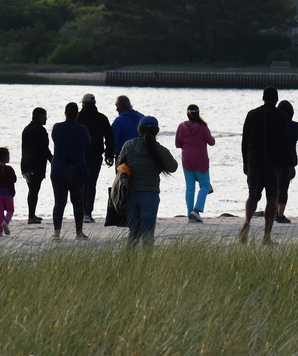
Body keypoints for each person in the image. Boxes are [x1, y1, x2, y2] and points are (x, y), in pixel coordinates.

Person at [240, 87, 293, 243]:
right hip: (273, 164)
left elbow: (244, 141)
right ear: (276, 99)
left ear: (263, 98)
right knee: (272, 197)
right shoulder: (280, 115)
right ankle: (266, 236)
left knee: (252, 196)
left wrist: (245, 162)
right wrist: (290, 164)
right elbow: (285, 142)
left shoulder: (252, 114)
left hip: (255, 162)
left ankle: (247, 221)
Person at [117, 115, 179, 247]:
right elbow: (173, 167)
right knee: (148, 234)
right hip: (150, 195)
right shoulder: (160, 150)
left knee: (133, 232)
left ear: (139, 129)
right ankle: (146, 264)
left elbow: (119, 165)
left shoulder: (129, 146)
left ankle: (127, 262)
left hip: (131, 194)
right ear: (157, 131)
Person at [51, 101, 91, 240]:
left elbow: (55, 139)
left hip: (59, 168)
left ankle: (56, 232)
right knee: (78, 202)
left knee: (59, 202)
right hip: (77, 169)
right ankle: (79, 232)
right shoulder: (82, 129)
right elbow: (88, 142)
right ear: (77, 114)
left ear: (65, 113)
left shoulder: (57, 127)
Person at [174, 103, 215, 222]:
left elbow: (177, 144)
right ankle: (196, 210)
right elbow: (211, 142)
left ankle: (189, 214)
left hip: (186, 158)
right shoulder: (203, 127)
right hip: (200, 159)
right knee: (205, 185)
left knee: (190, 187)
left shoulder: (181, 126)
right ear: (198, 113)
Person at [79, 94, 113, 224]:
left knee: (80, 183)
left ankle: (80, 211)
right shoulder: (101, 118)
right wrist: (109, 154)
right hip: (95, 155)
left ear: (83, 103)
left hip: (80, 156)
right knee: (91, 183)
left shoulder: (78, 117)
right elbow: (109, 137)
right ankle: (88, 213)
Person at [20, 107, 51, 224]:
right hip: (36, 164)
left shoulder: (26, 129)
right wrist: (53, 159)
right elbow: (44, 149)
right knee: (34, 190)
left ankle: (32, 214)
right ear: (39, 116)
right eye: (44, 115)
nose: (46, 118)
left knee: (32, 190)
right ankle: (31, 217)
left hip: (25, 163)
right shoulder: (40, 130)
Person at [276, 99, 298, 224]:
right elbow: (297, 137)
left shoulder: (274, 125)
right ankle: (280, 214)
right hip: (289, 160)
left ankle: (274, 212)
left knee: (274, 188)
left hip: (274, 160)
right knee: (284, 188)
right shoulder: (295, 126)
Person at [0, 146, 17, 237]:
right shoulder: (9, 169)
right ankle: (5, 222)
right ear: (5, 157)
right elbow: (14, 179)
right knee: (10, 210)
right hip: (8, 192)